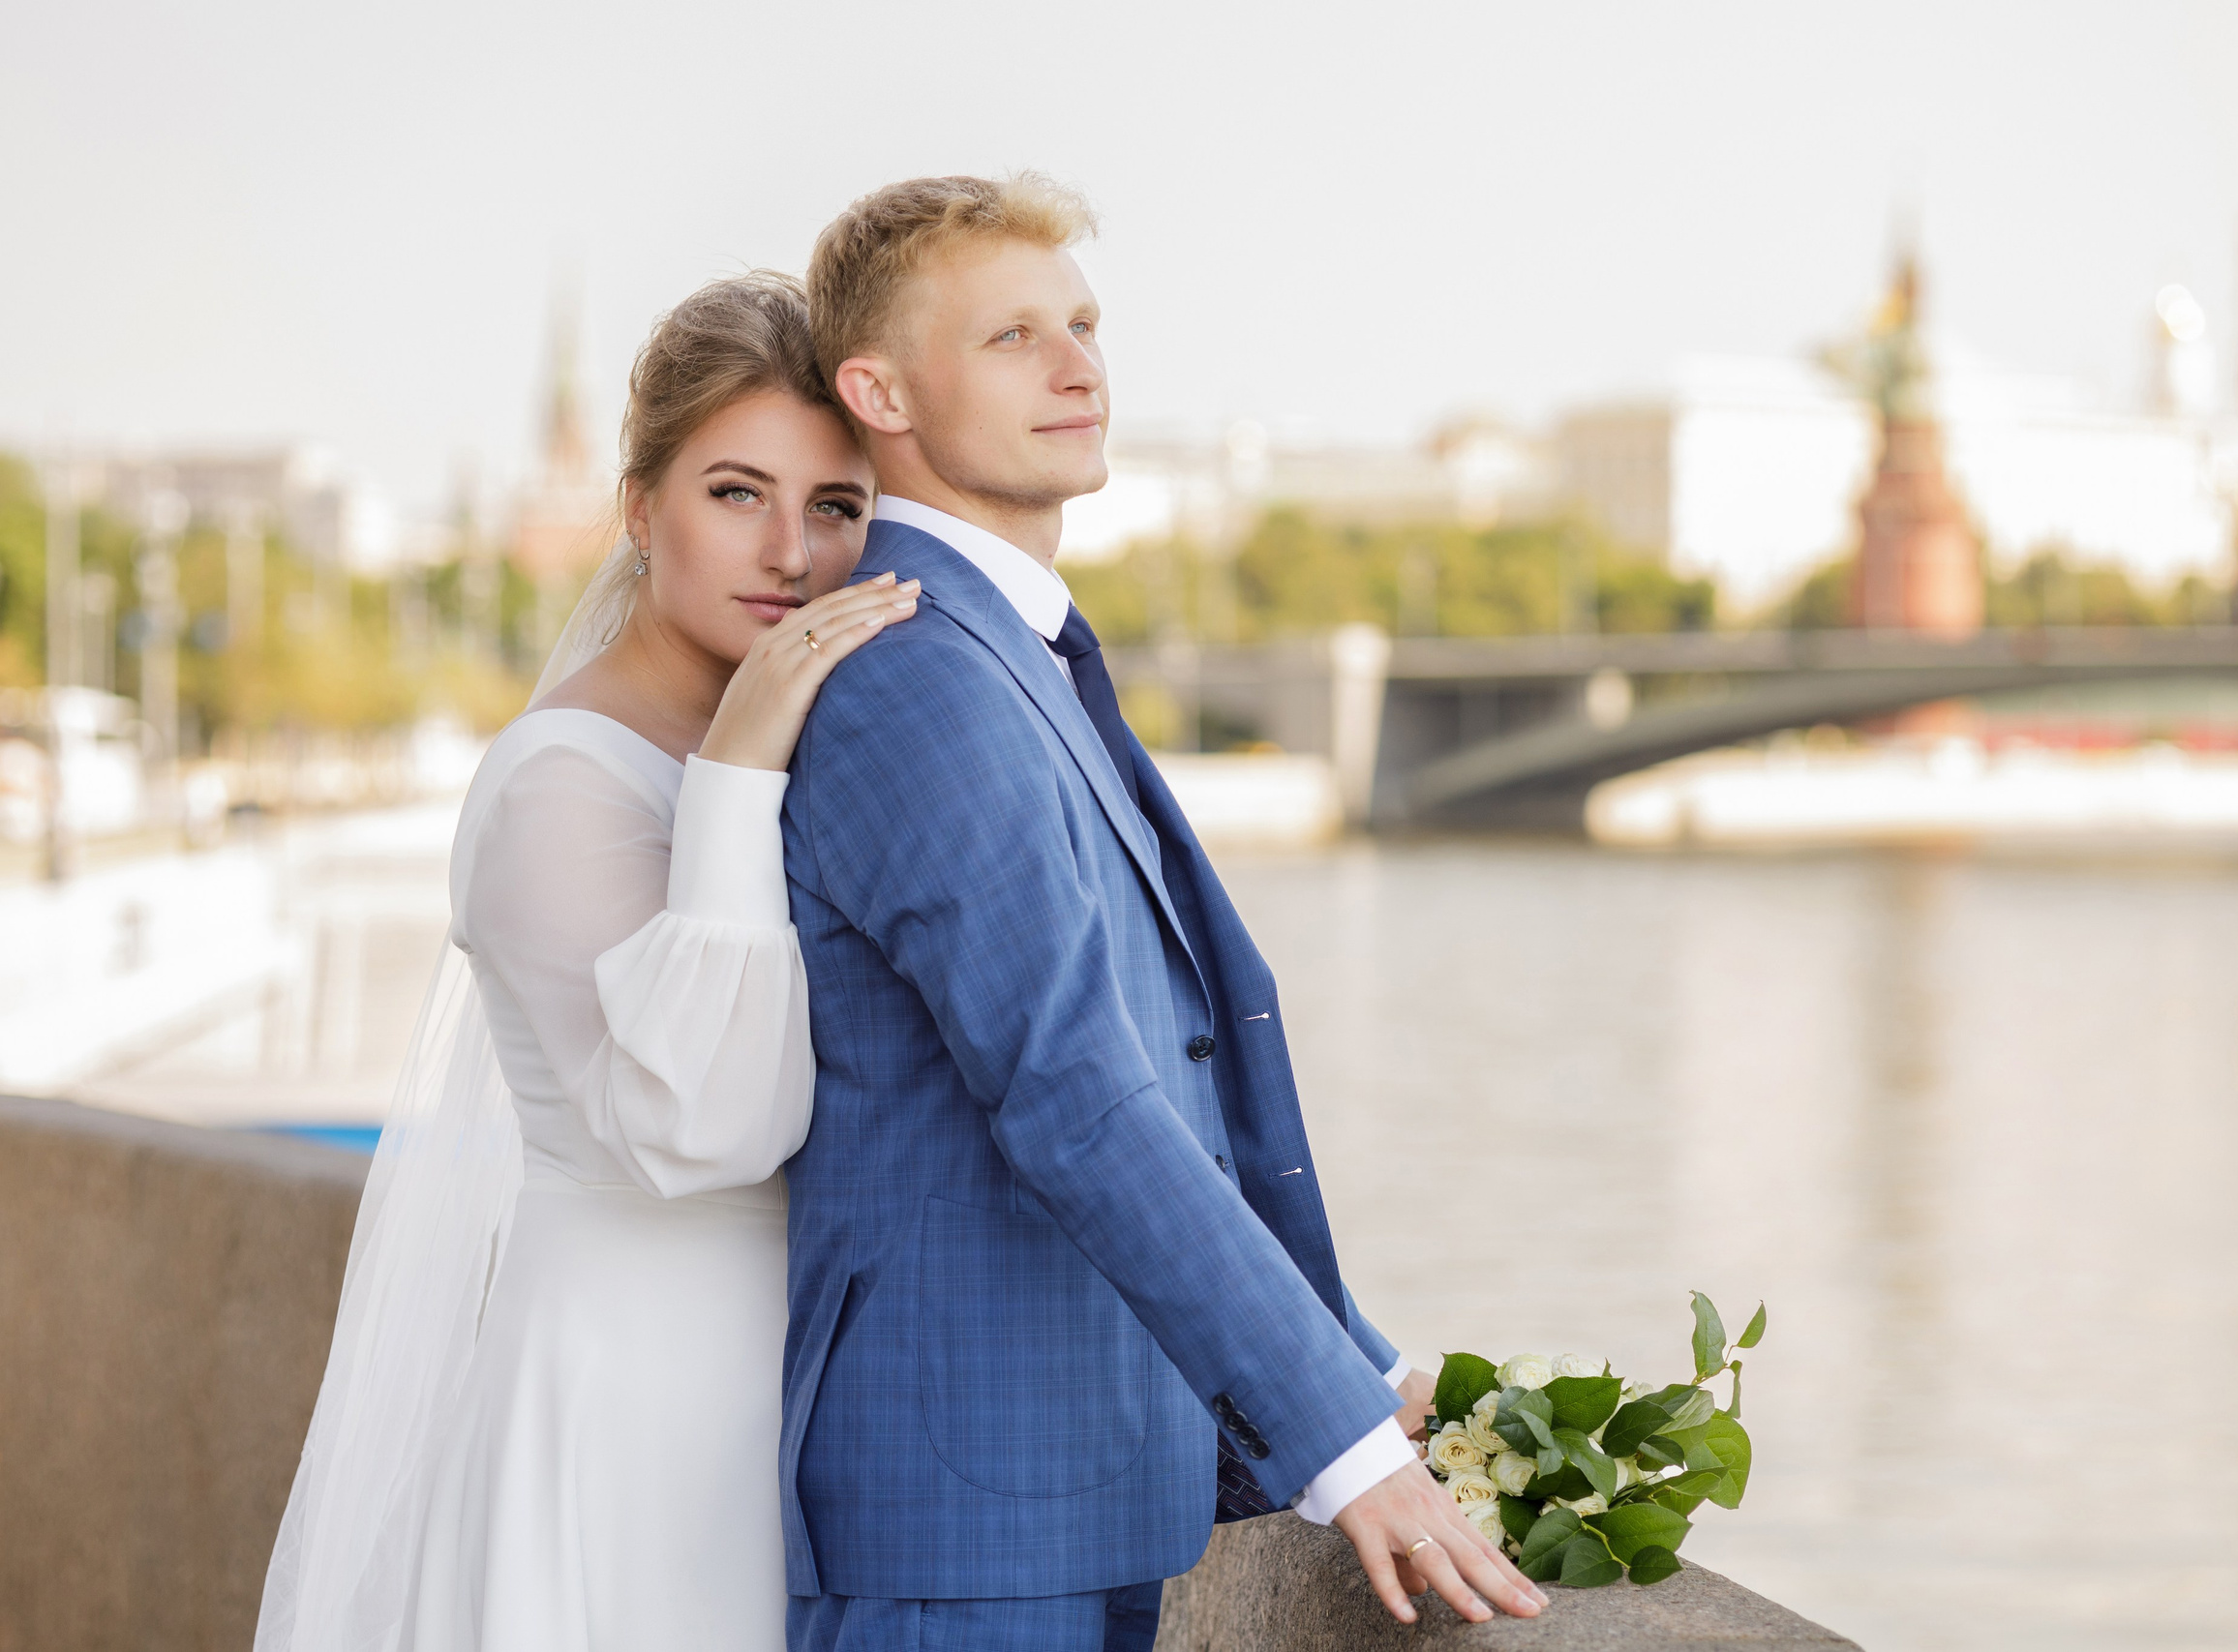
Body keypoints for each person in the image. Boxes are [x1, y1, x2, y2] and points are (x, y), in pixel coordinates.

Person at [777, 175, 1547, 1651]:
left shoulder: (1007, 646)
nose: (1079, 367)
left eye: (1084, 324)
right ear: (879, 392)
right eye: (1012, 336)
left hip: (1059, 1482)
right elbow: (1075, 1093)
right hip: (964, 1527)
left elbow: (1166, 1081)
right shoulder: (921, 677)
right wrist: (1347, 1447)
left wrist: (1364, 1367)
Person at [255, 273, 918, 1652]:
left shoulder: (833, 746)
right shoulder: (562, 784)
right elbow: (704, 1128)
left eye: (835, 506)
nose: (789, 551)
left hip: (798, 1408)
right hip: (626, 1403)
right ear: (638, 510)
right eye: (735, 493)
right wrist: (738, 768)